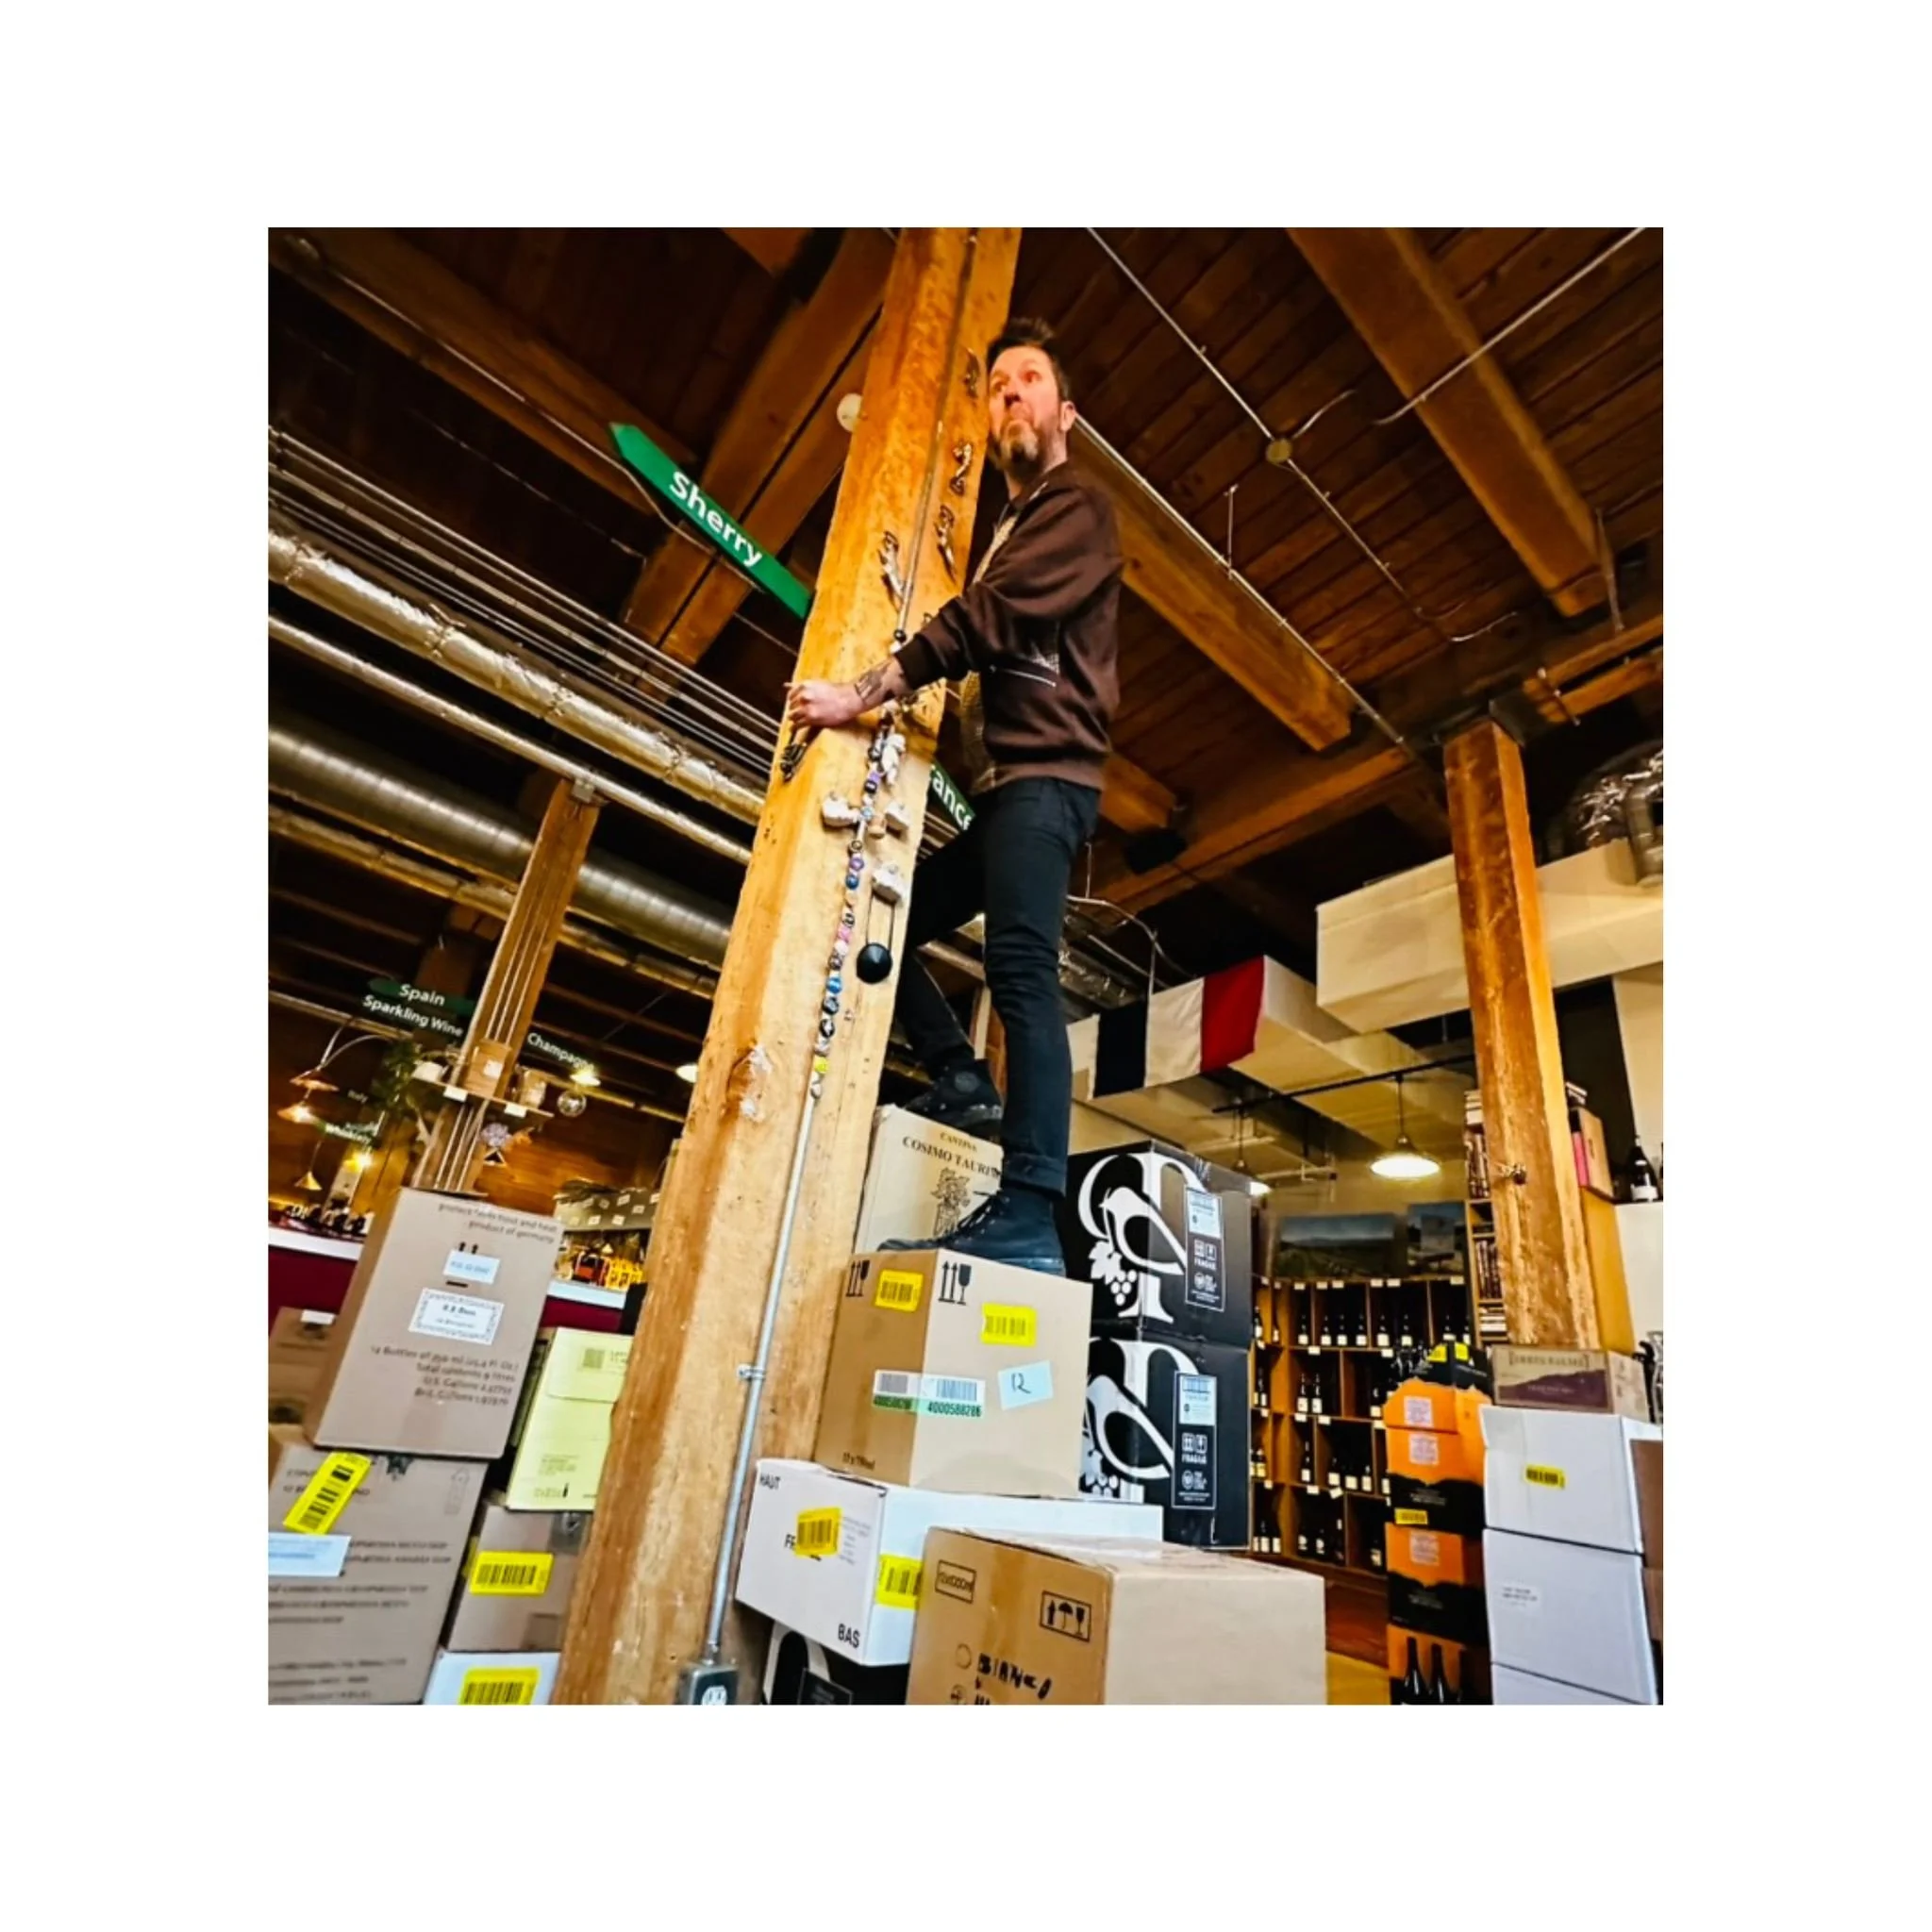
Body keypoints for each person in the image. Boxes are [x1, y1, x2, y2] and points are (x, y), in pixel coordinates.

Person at [785, 316, 1122, 1274]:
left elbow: (988, 618)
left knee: (1020, 973)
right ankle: (960, 1075)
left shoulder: (1078, 507)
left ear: (1065, 412)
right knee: (882, 936)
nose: (1011, 392)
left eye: (1030, 379)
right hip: (1010, 790)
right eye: (999, 384)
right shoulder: (1011, 527)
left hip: (1047, 780)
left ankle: (1031, 1212)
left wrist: (863, 692)